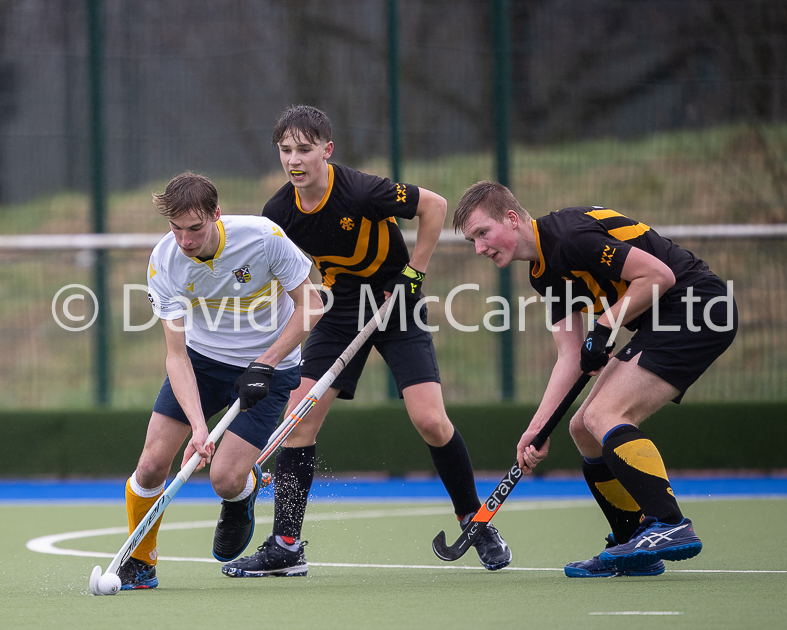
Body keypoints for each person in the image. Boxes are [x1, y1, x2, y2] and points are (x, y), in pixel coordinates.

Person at [220, 105, 511, 578]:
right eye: (286, 150)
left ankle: (475, 522)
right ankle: (287, 546)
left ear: (326, 150)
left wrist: (413, 273)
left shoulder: (360, 190)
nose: (295, 160)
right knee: (299, 420)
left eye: (305, 149)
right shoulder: (278, 213)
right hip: (337, 312)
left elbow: (434, 206)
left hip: (395, 304)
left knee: (431, 421)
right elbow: (279, 272)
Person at [452, 181, 737, 578]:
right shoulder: (543, 274)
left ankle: (670, 524)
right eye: (472, 241)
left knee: (605, 413)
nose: (480, 248)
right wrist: (536, 429)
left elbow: (658, 276)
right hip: (661, 320)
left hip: (697, 307)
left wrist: (602, 327)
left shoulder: (570, 238)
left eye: (483, 233)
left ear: (512, 219)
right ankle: (634, 544)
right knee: (583, 428)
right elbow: (570, 356)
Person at [120, 171, 322, 589]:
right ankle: (141, 563)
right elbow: (176, 356)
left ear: (216, 215)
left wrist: (265, 363)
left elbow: (312, 306)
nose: (185, 241)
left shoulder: (264, 238)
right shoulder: (166, 261)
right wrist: (198, 427)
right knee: (152, 464)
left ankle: (243, 492)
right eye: (176, 229)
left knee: (224, 479)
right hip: (203, 361)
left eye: (194, 229)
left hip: (271, 367)